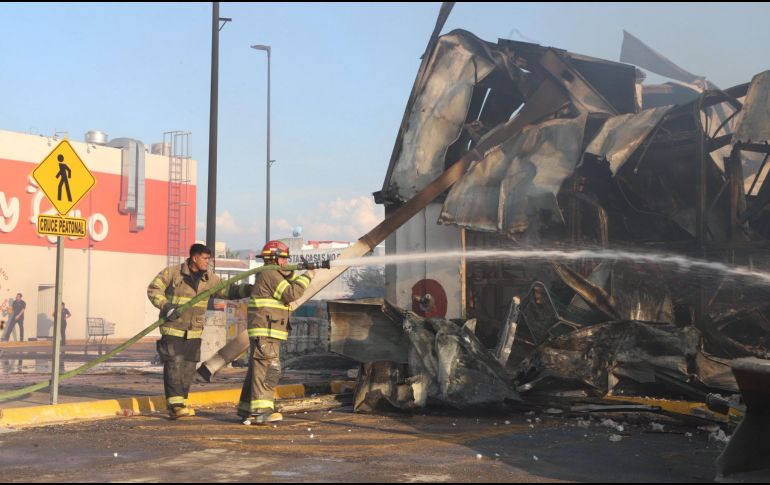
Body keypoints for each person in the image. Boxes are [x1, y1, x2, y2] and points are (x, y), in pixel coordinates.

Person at [147, 244, 251, 420]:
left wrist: (250, 289)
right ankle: (175, 406)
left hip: (194, 331)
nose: (207, 263)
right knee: (174, 364)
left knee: (188, 367)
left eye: (209, 259)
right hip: (173, 328)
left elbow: (227, 290)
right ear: (194, 258)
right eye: (205, 258)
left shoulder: (209, 279)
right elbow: (153, 289)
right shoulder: (172, 273)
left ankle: (181, 402)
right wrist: (166, 307)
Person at [237, 240, 315, 425]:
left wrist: (296, 272)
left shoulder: (271, 274)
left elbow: (286, 282)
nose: (285, 262)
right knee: (268, 369)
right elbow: (291, 293)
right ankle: (261, 412)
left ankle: (248, 408)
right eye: (282, 259)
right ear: (273, 258)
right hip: (267, 330)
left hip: (267, 329)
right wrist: (308, 275)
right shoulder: (270, 273)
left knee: (258, 369)